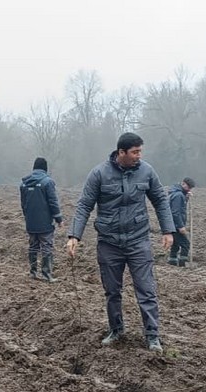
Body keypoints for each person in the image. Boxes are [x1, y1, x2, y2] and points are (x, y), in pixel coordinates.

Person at [66, 132, 175, 352]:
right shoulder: (99, 174)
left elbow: (161, 201)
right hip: (109, 243)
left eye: (140, 151)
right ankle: (116, 330)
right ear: (121, 152)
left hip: (138, 241)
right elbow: (84, 205)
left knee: (146, 290)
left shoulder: (147, 171)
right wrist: (74, 236)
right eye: (135, 152)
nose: (139, 156)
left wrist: (168, 230)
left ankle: (152, 336)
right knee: (112, 291)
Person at [20, 157, 62, 282]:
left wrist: (27, 217)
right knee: (46, 246)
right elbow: (53, 202)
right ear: (45, 168)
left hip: (31, 221)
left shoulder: (24, 183)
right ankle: (47, 274)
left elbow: (23, 204)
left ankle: (33, 272)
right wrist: (58, 218)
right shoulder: (48, 182)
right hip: (45, 222)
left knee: (33, 246)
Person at [167, 177, 196, 267]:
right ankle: (183, 264)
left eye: (190, 188)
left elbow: (180, 206)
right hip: (175, 225)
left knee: (175, 244)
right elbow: (175, 213)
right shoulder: (178, 195)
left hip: (171, 224)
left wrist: (186, 197)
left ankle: (172, 262)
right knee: (185, 244)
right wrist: (180, 226)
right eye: (188, 187)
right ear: (183, 184)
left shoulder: (177, 194)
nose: (189, 189)